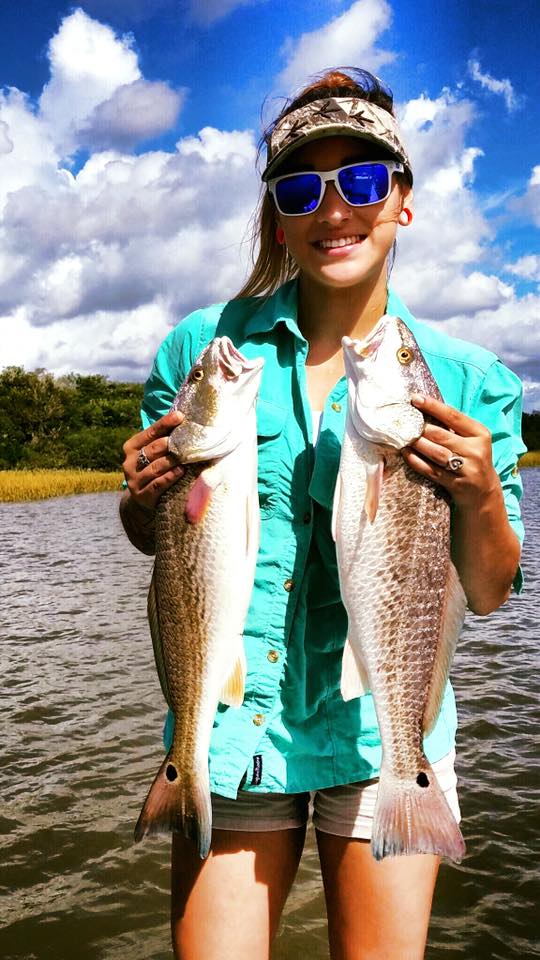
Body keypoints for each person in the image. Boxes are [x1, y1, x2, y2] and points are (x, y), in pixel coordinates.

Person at [120, 68, 525, 960]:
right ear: (276, 214)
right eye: (302, 187)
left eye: (364, 181)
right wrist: (143, 497)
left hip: (388, 728)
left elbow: (492, 591)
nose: (334, 208)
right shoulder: (204, 349)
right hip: (232, 729)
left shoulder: (469, 379)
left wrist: (481, 492)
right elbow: (157, 536)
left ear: (403, 201)